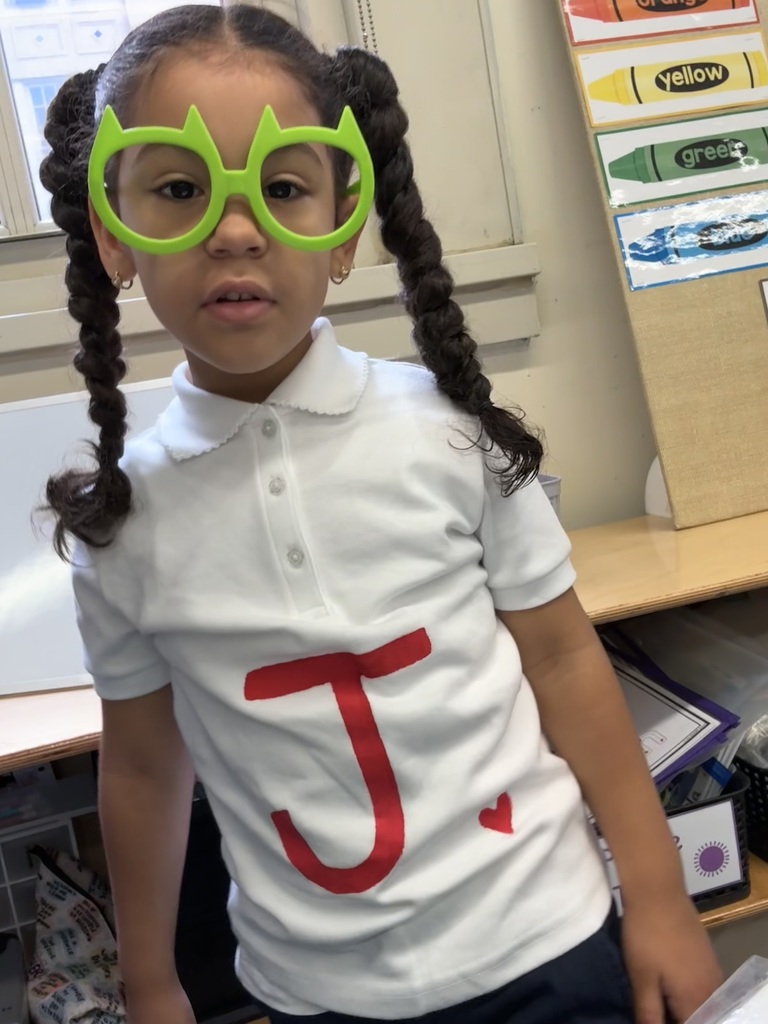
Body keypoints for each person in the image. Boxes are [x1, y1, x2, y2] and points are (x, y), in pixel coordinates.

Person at [40, 5, 721, 1023]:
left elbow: (563, 660)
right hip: (317, 994)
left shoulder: (448, 432)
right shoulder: (124, 522)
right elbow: (141, 764)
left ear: (343, 228)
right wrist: (150, 982)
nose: (236, 230)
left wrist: (659, 894)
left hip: (546, 950)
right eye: (180, 190)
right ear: (113, 234)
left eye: (282, 189)